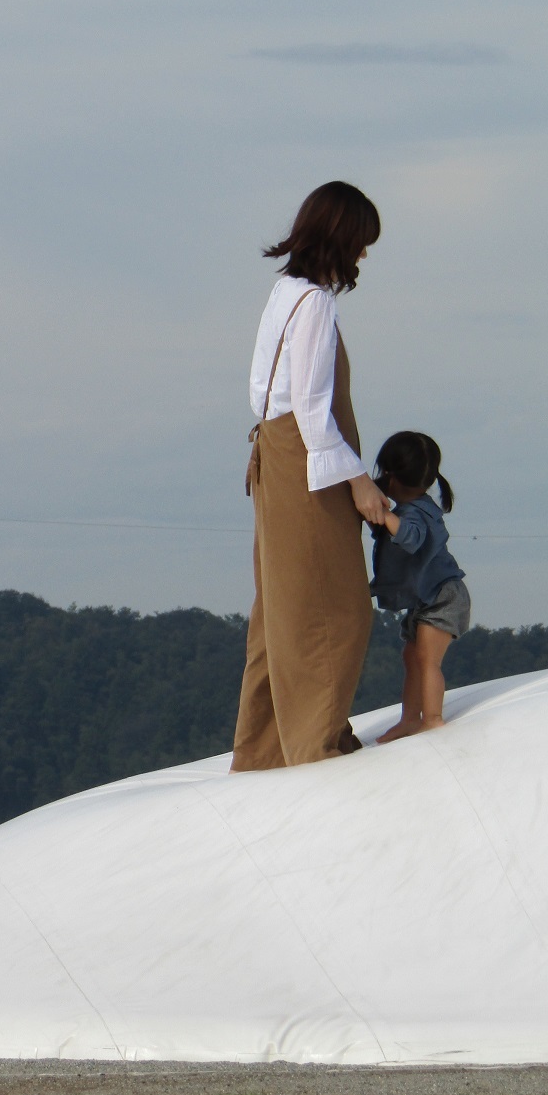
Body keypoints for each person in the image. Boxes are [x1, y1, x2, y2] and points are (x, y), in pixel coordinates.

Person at [232, 182, 390, 771]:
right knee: (335, 606)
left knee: (281, 606)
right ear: (340, 238)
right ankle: (315, 747)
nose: (364, 257)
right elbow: (311, 408)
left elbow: (266, 394)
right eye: (361, 243)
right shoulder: (317, 304)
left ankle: (266, 750)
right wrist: (358, 482)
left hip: (275, 455)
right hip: (303, 460)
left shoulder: (286, 292)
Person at [370, 432, 470, 742]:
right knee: (412, 657)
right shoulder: (420, 505)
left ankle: (433, 719)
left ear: (390, 476)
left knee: (427, 658)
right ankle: (410, 719)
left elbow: (410, 538)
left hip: (442, 597)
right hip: (428, 599)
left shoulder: (412, 514)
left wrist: (384, 515)